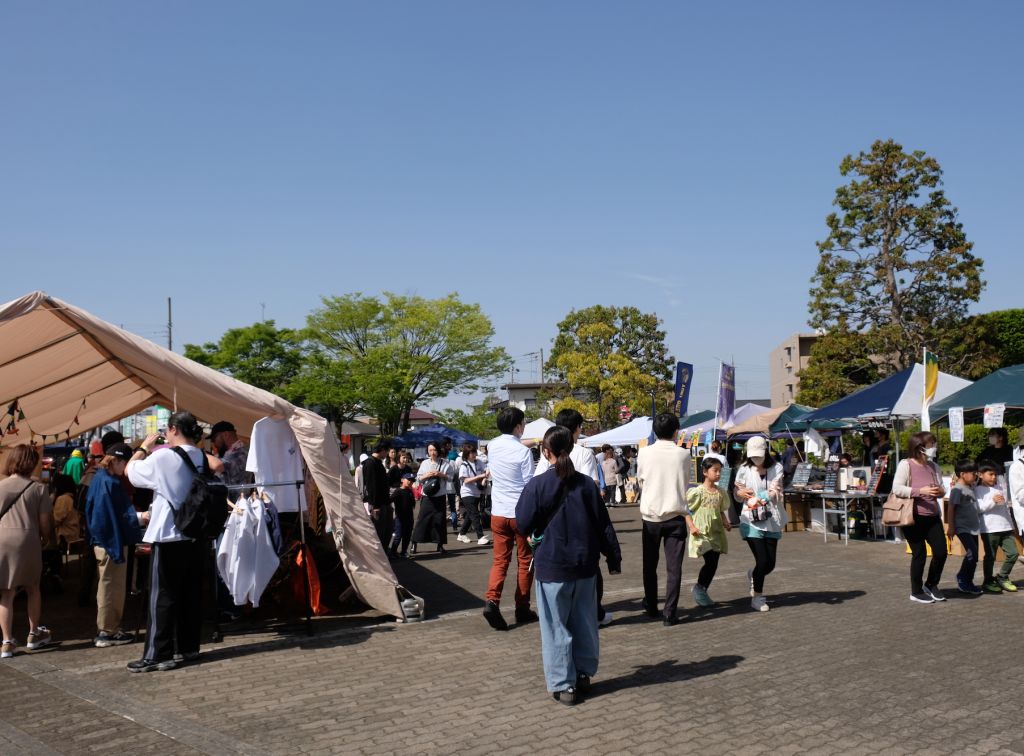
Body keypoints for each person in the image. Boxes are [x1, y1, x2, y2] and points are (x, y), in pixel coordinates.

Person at [515, 426, 621, 706]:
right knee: (585, 622)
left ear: (544, 452)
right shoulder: (586, 484)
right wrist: (613, 558)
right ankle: (583, 674)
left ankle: (564, 686)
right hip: (585, 565)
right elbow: (604, 526)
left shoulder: (537, 486)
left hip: (552, 566)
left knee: (556, 627)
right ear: (570, 449)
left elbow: (523, 523)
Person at [125, 410, 209, 672]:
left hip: (169, 533)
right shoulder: (200, 456)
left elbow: (131, 473)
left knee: (162, 595)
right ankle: (188, 647)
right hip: (195, 534)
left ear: (173, 429)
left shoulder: (163, 456)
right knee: (189, 594)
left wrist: (142, 448)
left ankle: (158, 654)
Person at [536, 408, 610, 625]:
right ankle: (594, 613)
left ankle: (563, 613)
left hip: (551, 522)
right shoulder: (583, 453)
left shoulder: (547, 452)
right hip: (580, 520)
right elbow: (591, 487)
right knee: (589, 569)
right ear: (577, 428)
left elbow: (537, 483)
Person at [636, 413, 694, 626]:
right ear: (676, 430)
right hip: (676, 515)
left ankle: (651, 606)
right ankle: (670, 613)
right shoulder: (683, 454)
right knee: (674, 568)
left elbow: (641, 479)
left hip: (651, 516)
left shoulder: (644, 453)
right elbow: (685, 481)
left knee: (649, 565)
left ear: (654, 431)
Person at [85, 443, 145, 647]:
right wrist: (139, 517)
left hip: (106, 540)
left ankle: (109, 628)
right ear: (117, 461)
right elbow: (108, 517)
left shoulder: (102, 479)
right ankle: (107, 631)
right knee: (111, 586)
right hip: (110, 541)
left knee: (110, 585)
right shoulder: (108, 482)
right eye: (126, 463)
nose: (127, 469)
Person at [482, 407, 536, 631]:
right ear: (517, 426)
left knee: (500, 561)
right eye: (523, 423)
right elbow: (529, 486)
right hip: (519, 514)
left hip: (498, 512)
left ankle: (492, 601)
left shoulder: (492, 445)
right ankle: (521, 607)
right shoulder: (523, 453)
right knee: (525, 562)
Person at [0, 445, 54, 659]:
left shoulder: (1, 486)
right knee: (33, 587)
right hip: (27, 538)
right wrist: (46, 538)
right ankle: (33, 634)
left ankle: (6, 642)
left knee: (6, 592)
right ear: (31, 463)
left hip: (2, 540)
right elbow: (44, 522)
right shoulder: (38, 488)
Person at [892, 431, 947, 604]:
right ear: (920, 447)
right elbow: (897, 488)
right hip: (912, 516)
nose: (934, 448)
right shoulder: (906, 464)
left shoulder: (934, 466)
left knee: (941, 552)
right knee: (919, 553)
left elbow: (942, 489)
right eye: (931, 444)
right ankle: (916, 591)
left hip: (932, 515)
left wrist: (940, 491)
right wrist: (919, 491)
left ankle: (931, 584)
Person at [734, 436, 786, 612]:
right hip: (751, 519)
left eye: (759, 455)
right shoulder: (744, 469)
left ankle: (754, 575)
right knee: (762, 560)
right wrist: (740, 493)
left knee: (769, 564)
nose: (756, 459)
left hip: (771, 517)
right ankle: (757, 597)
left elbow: (775, 490)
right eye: (753, 455)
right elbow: (737, 492)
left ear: (765, 451)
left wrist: (762, 496)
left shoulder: (776, 468)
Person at [687, 456, 732, 607]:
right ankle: (699, 588)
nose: (718, 473)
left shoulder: (720, 492)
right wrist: (691, 526)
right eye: (715, 470)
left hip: (716, 531)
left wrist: (725, 522)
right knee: (710, 561)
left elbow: (720, 510)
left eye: (720, 470)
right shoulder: (698, 491)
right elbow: (686, 510)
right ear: (705, 472)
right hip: (701, 532)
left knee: (714, 563)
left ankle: (701, 589)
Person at [976, 461, 1017, 594]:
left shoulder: (1000, 488)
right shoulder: (977, 490)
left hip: (1005, 527)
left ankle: (1002, 576)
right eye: (990, 474)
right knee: (990, 556)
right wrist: (992, 501)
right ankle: (987, 581)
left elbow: (1005, 509)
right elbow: (979, 509)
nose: (994, 477)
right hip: (989, 529)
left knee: (1013, 553)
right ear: (980, 475)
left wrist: (1011, 525)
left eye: (995, 474)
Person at [946, 460, 983, 595]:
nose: (976, 475)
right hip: (963, 528)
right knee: (971, 553)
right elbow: (951, 508)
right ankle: (962, 578)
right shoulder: (957, 489)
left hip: (974, 528)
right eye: (973, 473)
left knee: (974, 556)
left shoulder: (970, 486)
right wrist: (951, 527)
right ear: (962, 474)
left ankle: (969, 581)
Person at [411, 443, 450, 554]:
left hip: (440, 495)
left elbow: (452, 478)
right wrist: (426, 475)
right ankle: (414, 543)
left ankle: (440, 544)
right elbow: (418, 479)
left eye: (434, 450)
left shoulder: (445, 463)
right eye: (430, 450)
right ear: (427, 451)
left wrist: (441, 475)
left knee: (440, 520)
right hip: (427, 496)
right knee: (422, 520)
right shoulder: (424, 463)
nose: (432, 452)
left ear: (438, 450)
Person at [456, 442, 490, 545]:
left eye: (474, 452)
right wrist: (480, 477)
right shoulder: (464, 465)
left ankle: (461, 534)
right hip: (467, 493)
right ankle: (480, 536)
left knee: (470, 515)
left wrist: (484, 478)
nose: (474, 455)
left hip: (477, 492)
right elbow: (465, 480)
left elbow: (486, 470)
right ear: (466, 454)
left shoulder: (479, 462)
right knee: (475, 514)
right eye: (471, 453)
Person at [361, 440, 392, 548]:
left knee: (386, 530)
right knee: (379, 531)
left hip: (384, 502)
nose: (387, 454)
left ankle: (384, 553)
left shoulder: (377, 462)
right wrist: (375, 505)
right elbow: (371, 486)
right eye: (387, 451)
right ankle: (380, 555)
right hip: (377, 504)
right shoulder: (370, 463)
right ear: (383, 450)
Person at [208, 421, 253, 488]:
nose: (213, 442)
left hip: (236, 497)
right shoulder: (228, 453)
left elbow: (219, 466)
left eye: (214, 438)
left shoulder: (241, 453)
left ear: (226, 434)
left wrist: (200, 453)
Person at [388, 473, 417, 558]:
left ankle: (403, 552)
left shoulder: (409, 491)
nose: (410, 482)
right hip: (400, 518)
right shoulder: (398, 491)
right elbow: (389, 500)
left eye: (412, 481)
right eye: (408, 480)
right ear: (402, 480)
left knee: (407, 536)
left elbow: (413, 504)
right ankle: (393, 552)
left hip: (409, 517)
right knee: (398, 535)